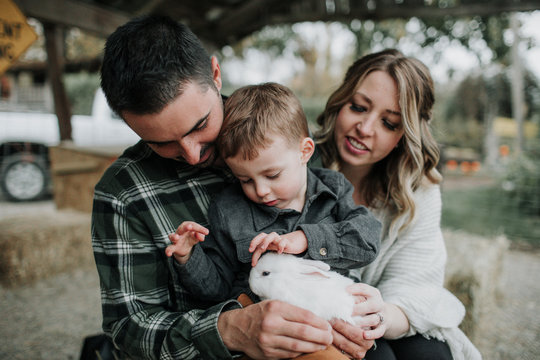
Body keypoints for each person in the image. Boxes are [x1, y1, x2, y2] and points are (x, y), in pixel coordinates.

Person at [92, 15, 375, 360]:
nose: (193, 155)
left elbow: (358, 229)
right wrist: (228, 330)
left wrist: (360, 310)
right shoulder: (123, 193)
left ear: (215, 73)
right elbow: (129, 328)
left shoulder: (276, 131)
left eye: (200, 125)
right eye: (161, 143)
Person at [314, 49, 482, 360]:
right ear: (340, 102)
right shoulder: (297, 166)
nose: (365, 128)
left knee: (431, 355)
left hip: (383, 314)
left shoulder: (418, 191)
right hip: (315, 311)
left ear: (405, 135)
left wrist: (382, 317)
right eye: (358, 107)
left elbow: (414, 283)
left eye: (389, 123)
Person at [165, 82, 381, 304]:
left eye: (273, 175)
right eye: (245, 179)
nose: (260, 191)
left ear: (304, 151)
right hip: (272, 326)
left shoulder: (333, 189)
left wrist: (306, 239)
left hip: (334, 309)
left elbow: (368, 241)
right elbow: (216, 290)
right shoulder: (228, 210)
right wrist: (188, 257)